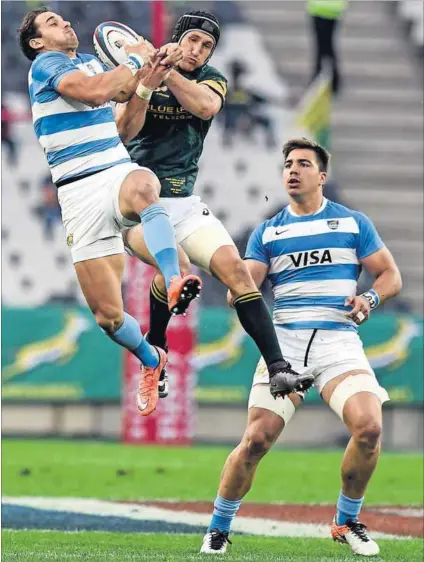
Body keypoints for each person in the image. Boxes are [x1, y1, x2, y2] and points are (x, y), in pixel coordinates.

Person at [200, 138, 402, 556]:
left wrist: (369, 299)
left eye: (303, 164)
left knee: (369, 428)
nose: (292, 170)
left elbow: (389, 276)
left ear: (321, 176)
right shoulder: (268, 230)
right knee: (256, 441)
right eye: (288, 164)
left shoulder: (353, 223)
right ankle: (218, 528)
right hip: (285, 346)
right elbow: (243, 289)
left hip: (337, 344)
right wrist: (238, 287)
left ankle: (346, 522)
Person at [115, 10, 314, 401]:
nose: (198, 50)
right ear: (177, 37)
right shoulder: (141, 72)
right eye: (192, 40)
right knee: (177, 267)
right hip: (137, 206)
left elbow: (205, 107)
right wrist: (146, 81)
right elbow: (124, 131)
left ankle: (279, 370)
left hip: (185, 206)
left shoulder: (211, 79)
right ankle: (155, 357)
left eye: (207, 46)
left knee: (238, 273)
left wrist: (168, 71)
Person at [19, 6, 202, 417]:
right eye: (51, 23)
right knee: (107, 317)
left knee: (144, 185)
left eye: (62, 18)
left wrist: (147, 82)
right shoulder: (48, 66)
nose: (64, 23)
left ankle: (173, 278)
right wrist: (137, 57)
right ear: (36, 42)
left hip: (115, 171)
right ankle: (152, 359)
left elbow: (125, 123)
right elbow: (96, 92)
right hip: (77, 194)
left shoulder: (90, 64)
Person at [308, 0, 347, 95]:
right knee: (327, 46)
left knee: (323, 47)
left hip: (319, 9)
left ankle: (320, 77)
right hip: (333, 10)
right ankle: (332, 80)